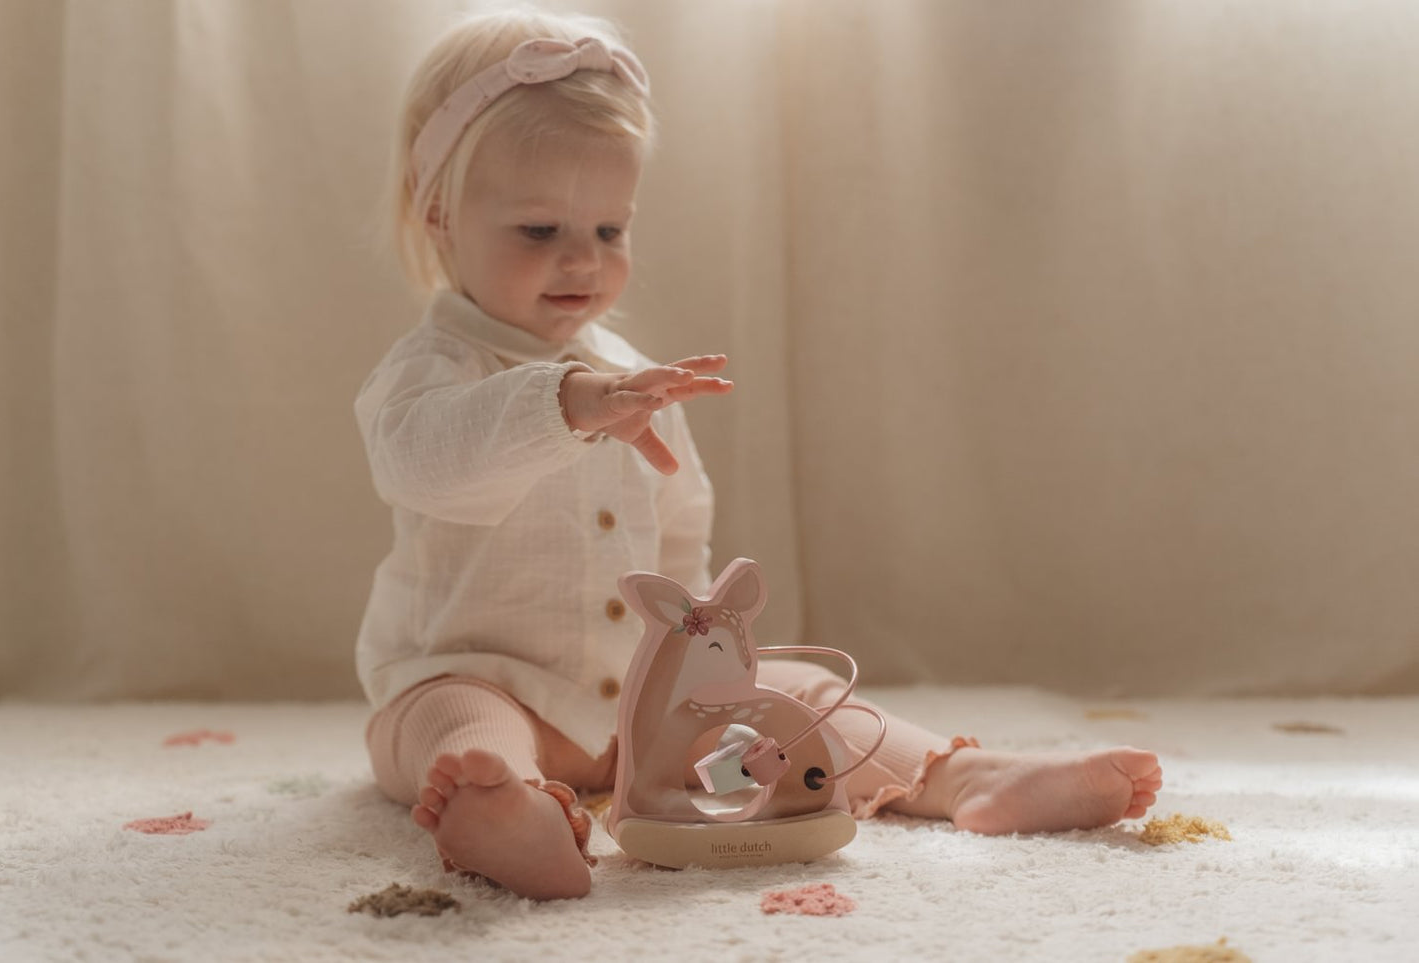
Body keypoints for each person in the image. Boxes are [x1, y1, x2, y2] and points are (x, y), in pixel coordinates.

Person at [355, 8, 1163, 902]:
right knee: (450, 720)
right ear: (437, 212)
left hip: (638, 711)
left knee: (796, 689)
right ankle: (503, 808)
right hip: (483, 679)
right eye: (539, 232)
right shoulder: (431, 372)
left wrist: (703, 660)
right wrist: (566, 403)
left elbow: (673, 531)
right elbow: (426, 464)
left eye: (611, 231)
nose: (582, 261)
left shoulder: (629, 372)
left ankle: (956, 776)